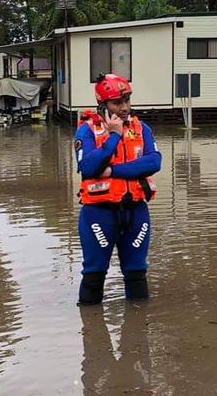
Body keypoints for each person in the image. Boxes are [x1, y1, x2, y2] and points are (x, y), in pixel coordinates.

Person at [74, 73, 162, 305]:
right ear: (103, 104)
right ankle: (91, 332)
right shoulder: (87, 131)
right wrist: (113, 135)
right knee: (94, 274)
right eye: (117, 103)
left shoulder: (141, 128)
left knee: (136, 273)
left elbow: (154, 162)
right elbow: (90, 166)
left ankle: (138, 333)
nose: (124, 107)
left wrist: (113, 171)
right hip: (99, 213)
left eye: (127, 100)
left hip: (136, 212)